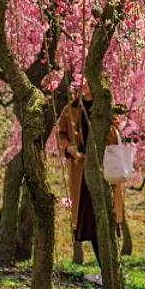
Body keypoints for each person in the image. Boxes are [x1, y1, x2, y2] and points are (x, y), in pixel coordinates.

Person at [58, 94, 95, 263]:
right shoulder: (69, 110)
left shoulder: (104, 107)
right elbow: (61, 134)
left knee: (101, 219)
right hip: (79, 168)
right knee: (85, 218)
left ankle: (108, 269)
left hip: (100, 168)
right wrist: (69, 149)